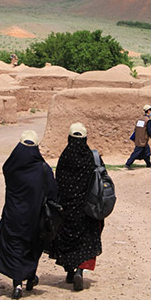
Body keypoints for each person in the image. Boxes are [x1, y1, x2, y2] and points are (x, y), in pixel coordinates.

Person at [0, 130, 57, 299]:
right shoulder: (42, 169)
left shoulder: (11, 167)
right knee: (31, 247)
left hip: (13, 216)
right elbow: (52, 191)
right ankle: (30, 277)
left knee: (15, 247)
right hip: (34, 217)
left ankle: (17, 282)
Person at [50, 123, 103, 291]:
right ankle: (80, 270)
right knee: (86, 240)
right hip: (87, 210)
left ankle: (70, 271)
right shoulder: (91, 158)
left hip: (68, 210)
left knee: (68, 240)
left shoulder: (65, 158)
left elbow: (58, 183)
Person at [125, 104, 151, 170]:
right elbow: (150, 131)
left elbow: (136, 129)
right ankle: (128, 164)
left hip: (138, 139)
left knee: (146, 152)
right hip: (143, 140)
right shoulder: (148, 120)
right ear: (148, 111)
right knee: (137, 152)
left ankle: (149, 164)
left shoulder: (140, 119)